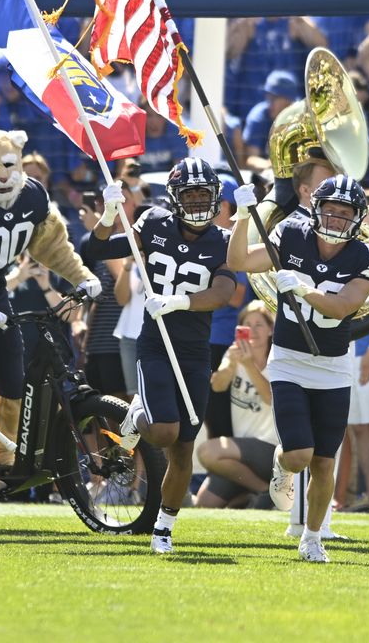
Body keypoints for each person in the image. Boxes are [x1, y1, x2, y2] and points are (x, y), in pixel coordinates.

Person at [226, 175, 369, 563]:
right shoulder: (292, 234)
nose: (335, 218)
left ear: (357, 216)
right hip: (288, 360)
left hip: (333, 367)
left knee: (323, 461)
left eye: (344, 212)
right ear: (315, 208)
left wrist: (302, 288)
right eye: (329, 209)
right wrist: (241, 217)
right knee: (299, 456)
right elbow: (237, 262)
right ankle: (281, 465)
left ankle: (313, 538)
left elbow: (340, 307)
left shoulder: (368, 257)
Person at [0, 130, 99, 495]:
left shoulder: (33, 195)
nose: (3, 174)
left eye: (9, 164)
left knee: (12, 382)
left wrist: (80, 276)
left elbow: (52, 245)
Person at [85, 159, 238, 553]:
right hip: (155, 343)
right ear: (175, 198)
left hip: (193, 351)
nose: (199, 202)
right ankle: (136, 414)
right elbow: (96, 247)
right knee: (164, 432)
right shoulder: (153, 223)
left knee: (183, 448)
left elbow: (224, 293)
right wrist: (107, 215)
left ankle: (164, 527)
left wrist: (180, 301)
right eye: (191, 194)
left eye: (205, 194)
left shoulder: (222, 241)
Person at [196, 302, 278, 508]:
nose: (253, 330)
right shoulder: (234, 354)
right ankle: (260, 491)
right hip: (240, 451)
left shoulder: (278, 360)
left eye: (259, 324)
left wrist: (249, 365)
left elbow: (270, 398)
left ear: (271, 329)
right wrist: (231, 365)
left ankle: (264, 492)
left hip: (272, 450)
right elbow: (217, 385)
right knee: (204, 503)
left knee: (208, 452)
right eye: (247, 324)